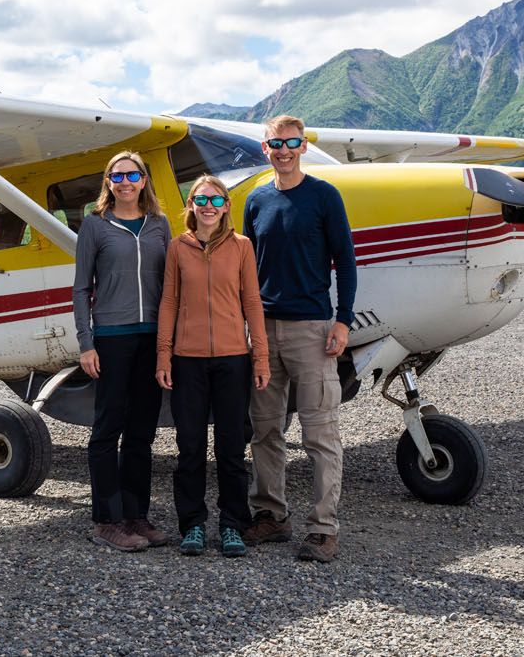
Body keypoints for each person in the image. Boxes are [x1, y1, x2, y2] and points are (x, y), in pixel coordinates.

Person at [242, 115, 357, 563]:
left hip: (312, 330)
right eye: (276, 143)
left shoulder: (324, 196)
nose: (284, 150)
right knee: (265, 430)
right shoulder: (255, 201)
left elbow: (345, 262)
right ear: (265, 148)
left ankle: (324, 528)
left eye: (292, 142)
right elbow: (246, 271)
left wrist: (343, 321)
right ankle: (270, 514)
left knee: (319, 433)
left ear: (304, 146)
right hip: (264, 332)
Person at [156, 175, 270, 558]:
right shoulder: (177, 248)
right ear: (191, 205)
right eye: (201, 199)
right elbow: (169, 302)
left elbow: (252, 303)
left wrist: (261, 356)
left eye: (216, 200)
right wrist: (163, 355)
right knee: (189, 447)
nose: (208, 206)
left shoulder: (241, 247)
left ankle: (232, 525)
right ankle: (192, 525)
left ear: (225, 207)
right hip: (187, 361)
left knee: (231, 447)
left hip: (232, 360)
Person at [73, 150, 171, 552]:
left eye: (133, 175)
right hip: (112, 338)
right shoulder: (95, 227)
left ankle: (136, 517)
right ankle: (106, 521)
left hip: (151, 338)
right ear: (108, 182)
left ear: (144, 180)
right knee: (107, 429)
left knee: (141, 434)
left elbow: (171, 285)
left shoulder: (159, 226)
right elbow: (81, 289)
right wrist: (86, 342)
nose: (126, 181)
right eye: (118, 175)